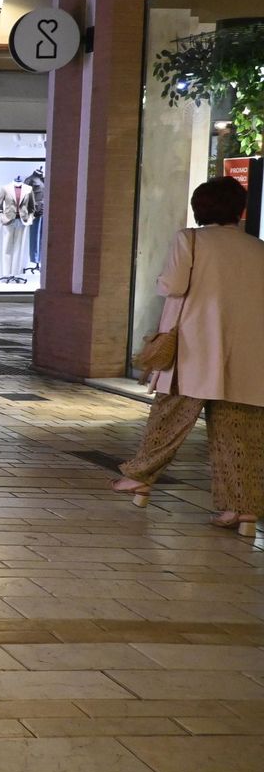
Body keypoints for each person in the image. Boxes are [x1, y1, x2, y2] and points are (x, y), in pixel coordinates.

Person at [113, 177, 264, 541]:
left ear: (199, 209)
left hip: (196, 349)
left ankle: (139, 478)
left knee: (169, 417)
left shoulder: (190, 239)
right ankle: (241, 509)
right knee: (240, 435)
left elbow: (172, 286)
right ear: (240, 211)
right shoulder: (258, 248)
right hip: (248, 353)